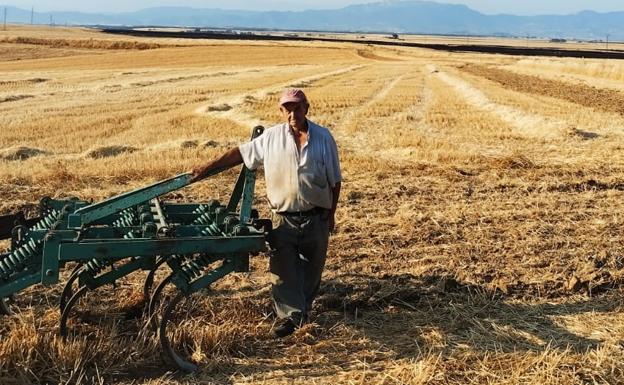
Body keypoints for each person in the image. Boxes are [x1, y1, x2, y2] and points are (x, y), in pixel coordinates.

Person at [190, 88, 342, 337]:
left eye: (298, 107)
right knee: (282, 272)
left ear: (307, 108)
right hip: (282, 217)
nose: (293, 113)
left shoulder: (324, 138)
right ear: (282, 111)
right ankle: (292, 318)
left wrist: (332, 214)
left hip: (317, 216)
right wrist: (209, 166)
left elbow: (335, 181)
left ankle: (302, 309)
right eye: (288, 109)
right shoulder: (271, 138)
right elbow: (241, 153)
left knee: (313, 270)